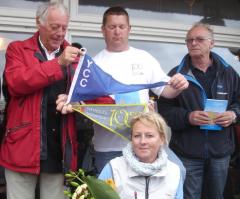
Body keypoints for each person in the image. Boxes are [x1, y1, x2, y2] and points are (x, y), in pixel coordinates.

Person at [57, 6, 188, 174]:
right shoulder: (92, 66)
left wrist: (178, 85)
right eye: (112, 27)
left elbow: (166, 91)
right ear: (103, 30)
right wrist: (71, 101)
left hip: (144, 144)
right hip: (108, 147)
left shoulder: (144, 58)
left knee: (178, 172)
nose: (117, 31)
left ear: (129, 29)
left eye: (121, 27)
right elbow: (83, 104)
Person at [0, 2, 83, 199]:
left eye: (64, 27)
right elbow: (17, 83)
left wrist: (78, 102)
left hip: (59, 148)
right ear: (39, 23)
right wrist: (58, 64)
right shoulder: (17, 49)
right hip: (23, 146)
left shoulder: (75, 56)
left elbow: (91, 94)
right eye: (55, 27)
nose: (60, 33)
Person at [158, 22, 240, 199]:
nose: (193, 43)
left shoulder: (229, 73)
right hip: (188, 153)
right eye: (189, 40)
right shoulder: (176, 75)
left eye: (199, 39)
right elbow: (164, 111)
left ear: (212, 43)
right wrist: (188, 117)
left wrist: (234, 115)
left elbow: (238, 103)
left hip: (220, 152)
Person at [98, 112, 184, 199]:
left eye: (149, 136)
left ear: (162, 139)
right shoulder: (113, 168)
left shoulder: (174, 171)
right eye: (137, 136)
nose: (143, 141)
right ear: (131, 138)